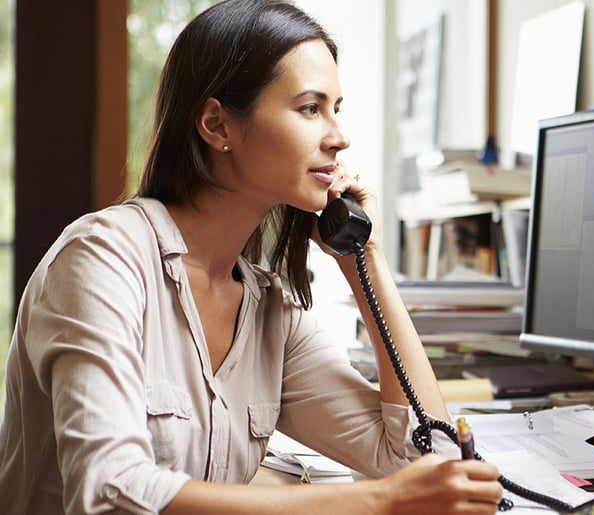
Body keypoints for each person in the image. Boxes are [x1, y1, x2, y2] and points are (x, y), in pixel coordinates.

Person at [0, 0, 505, 513]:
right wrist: (376, 502)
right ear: (218, 126)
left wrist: (365, 262)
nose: (339, 136)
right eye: (310, 108)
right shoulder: (102, 259)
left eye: (337, 108)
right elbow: (109, 492)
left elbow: (427, 459)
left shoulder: (268, 314)